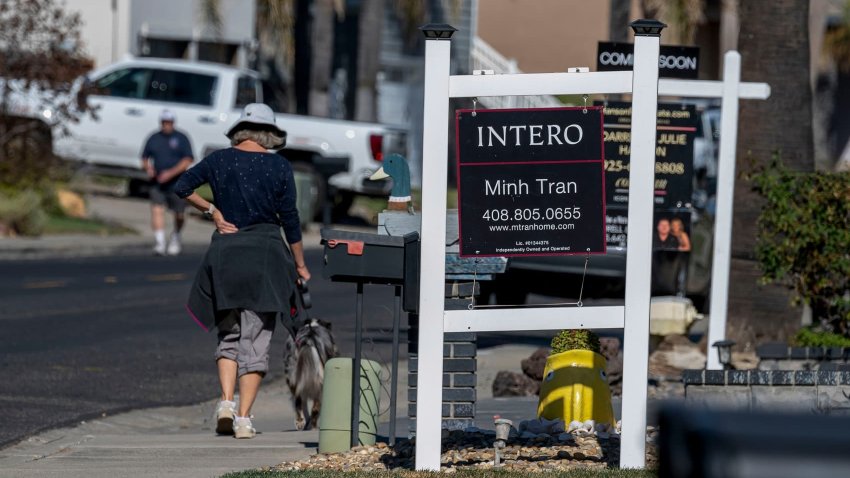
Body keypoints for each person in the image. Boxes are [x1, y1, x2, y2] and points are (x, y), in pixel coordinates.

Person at [174, 103, 309, 439]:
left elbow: (182, 186)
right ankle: (245, 419)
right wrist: (301, 265)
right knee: (256, 339)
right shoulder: (279, 166)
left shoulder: (219, 160)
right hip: (264, 257)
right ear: (269, 134)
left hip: (225, 256)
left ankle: (225, 402)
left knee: (229, 335)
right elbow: (289, 220)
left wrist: (212, 212)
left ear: (240, 131)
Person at [141, 110, 194, 255]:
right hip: (157, 182)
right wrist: (149, 169)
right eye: (164, 122)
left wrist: (170, 173)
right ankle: (160, 242)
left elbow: (188, 159)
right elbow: (145, 157)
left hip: (177, 183)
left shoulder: (181, 138)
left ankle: (176, 236)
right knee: (157, 209)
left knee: (179, 213)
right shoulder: (154, 138)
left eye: (169, 122)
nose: (166, 125)